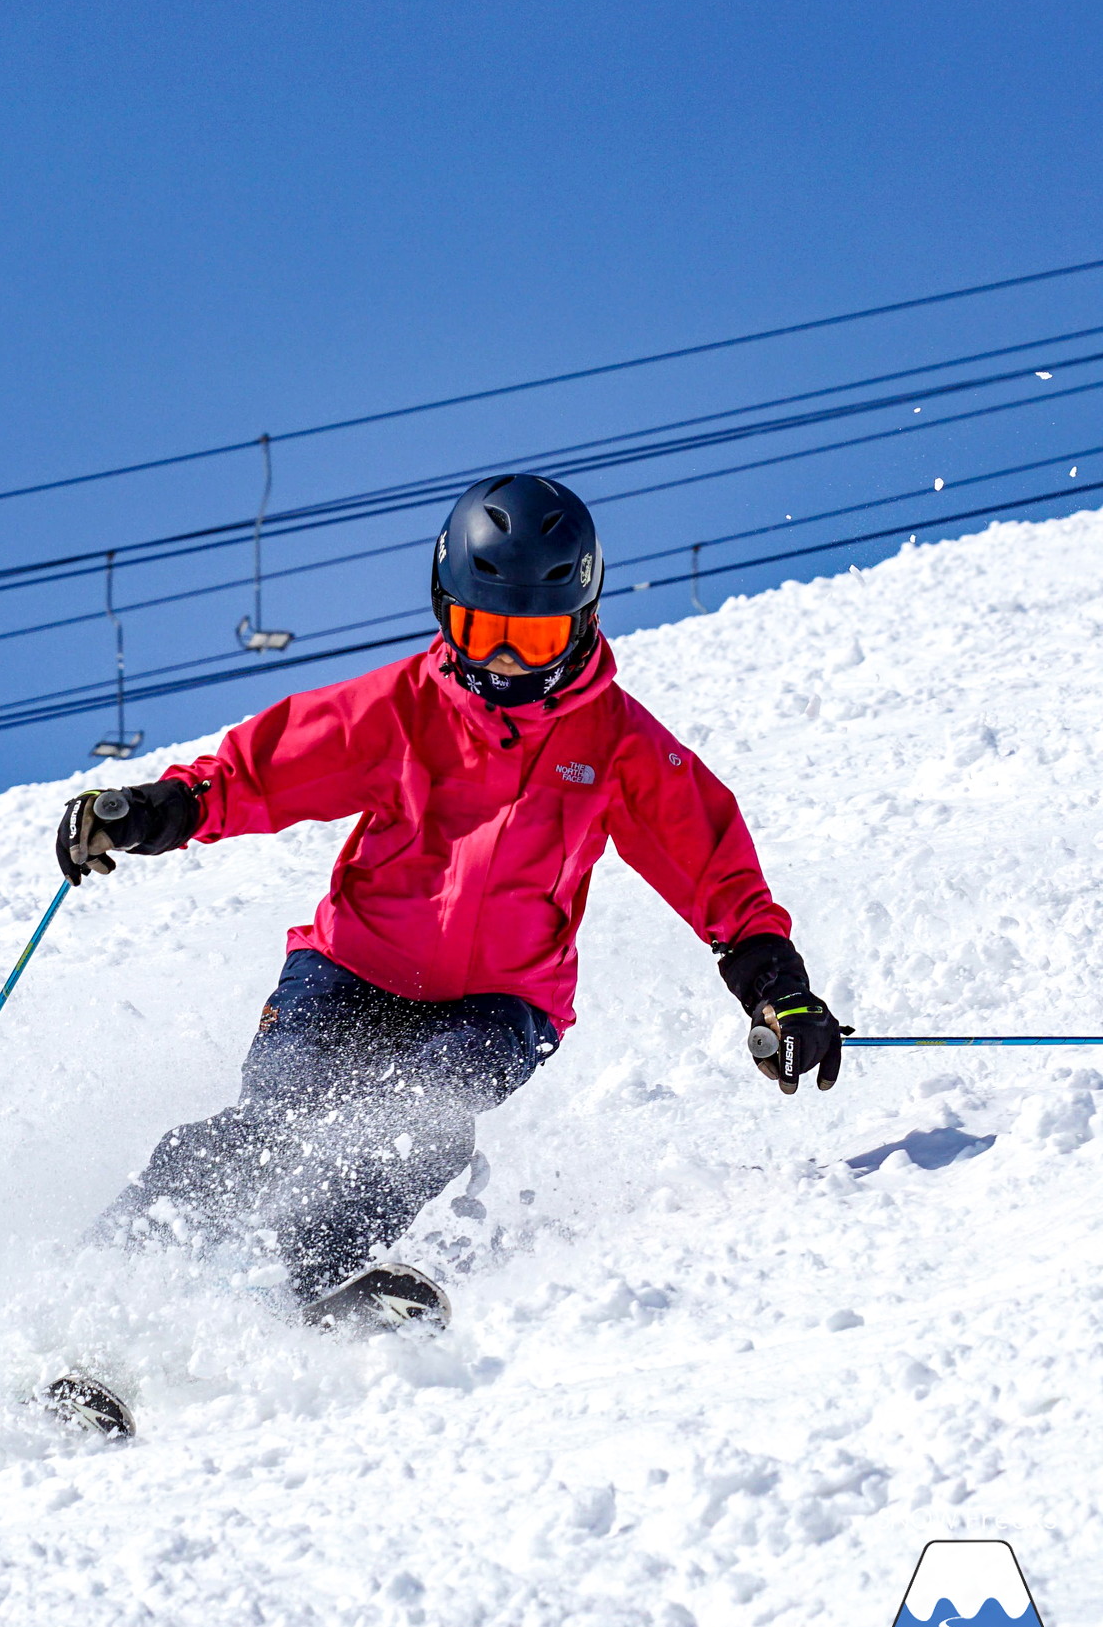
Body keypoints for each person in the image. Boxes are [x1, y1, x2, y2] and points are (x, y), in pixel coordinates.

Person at [56, 474, 842, 1312]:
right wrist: (161, 808)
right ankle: (102, 1281)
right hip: (348, 969)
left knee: (420, 1126)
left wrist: (779, 992)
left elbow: (711, 864)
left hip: (502, 1004)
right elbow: (265, 770)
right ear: (444, 608)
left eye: (531, 641)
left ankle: (283, 1290)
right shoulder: (402, 708)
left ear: (579, 629)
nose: (503, 661)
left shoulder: (617, 745)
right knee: (274, 1128)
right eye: (481, 630)